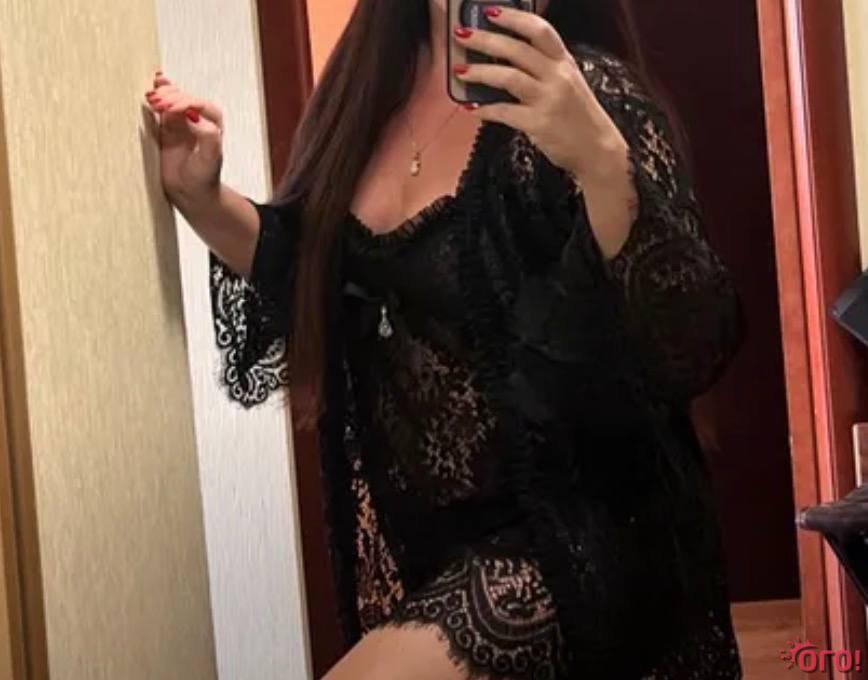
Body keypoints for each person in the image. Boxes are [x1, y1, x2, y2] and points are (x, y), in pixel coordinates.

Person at [145, 0, 745, 677]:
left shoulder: (594, 93)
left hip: (581, 538)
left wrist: (603, 163)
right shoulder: (368, 93)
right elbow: (318, 271)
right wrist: (202, 199)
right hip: (436, 548)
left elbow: (694, 338)